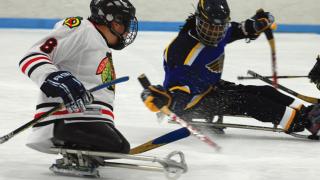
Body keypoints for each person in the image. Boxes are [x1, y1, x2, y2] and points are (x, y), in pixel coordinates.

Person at [140, 0, 320, 139]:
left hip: (210, 86)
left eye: (220, 28)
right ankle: (302, 122)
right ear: (198, 20)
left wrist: (256, 24)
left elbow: (236, 30)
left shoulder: (218, 29)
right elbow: (177, 95)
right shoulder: (181, 51)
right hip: (193, 102)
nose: (215, 33)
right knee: (250, 102)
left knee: (264, 91)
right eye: (210, 27)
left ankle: (306, 111)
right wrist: (164, 100)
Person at [19, 0, 138, 155]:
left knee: (118, 146)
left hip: (85, 118)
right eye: (127, 24)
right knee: (118, 146)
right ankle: (65, 136)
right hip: (66, 119)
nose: (128, 32)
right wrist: (53, 76)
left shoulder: (99, 42)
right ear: (114, 21)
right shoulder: (82, 29)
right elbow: (33, 55)